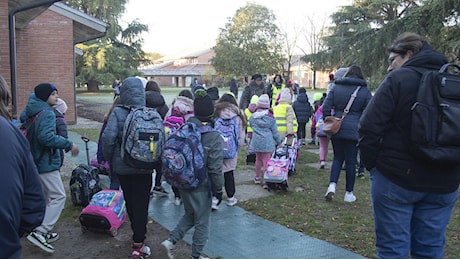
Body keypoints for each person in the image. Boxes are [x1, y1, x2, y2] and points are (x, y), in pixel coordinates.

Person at [358, 32, 460, 258]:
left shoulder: (399, 80)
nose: (389, 67)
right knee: (431, 249)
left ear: (409, 54)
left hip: (397, 179)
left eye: (392, 59)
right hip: (445, 182)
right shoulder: (455, 82)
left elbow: (368, 127)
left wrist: (372, 165)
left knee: (393, 249)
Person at [161, 89, 224, 259]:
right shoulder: (213, 136)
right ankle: (196, 256)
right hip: (201, 185)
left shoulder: (185, 128)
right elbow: (215, 169)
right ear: (212, 113)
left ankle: (170, 241)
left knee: (190, 214)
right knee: (203, 221)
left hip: (182, 180)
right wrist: (219, 189)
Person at [102, 77, 155, 258]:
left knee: (131, 202)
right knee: (142, 204)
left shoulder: (117, 113)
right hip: (145, 167)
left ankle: (136, 236)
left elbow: (108, 139)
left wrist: (111, 160)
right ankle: (139, 242)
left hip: (123, 166)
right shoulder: (150, 112)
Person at [24, 83, 79, 254]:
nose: (57, 97)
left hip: (35, 160)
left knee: (47, 197)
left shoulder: (32, 110)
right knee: (58, 196)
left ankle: (42, 230)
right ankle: (39, 232)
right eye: (53, 94)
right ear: (44, 96)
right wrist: (69, 144)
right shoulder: (47, 113)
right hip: (45, 162)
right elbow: (46, 137)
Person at [0, 76, 46, 258]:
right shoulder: (12, 133)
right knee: (58, 194)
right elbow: (34, 204)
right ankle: (44, 232)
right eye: (54, 94)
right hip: (6, 245)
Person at [322, 65, 371, 203]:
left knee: (337, 158)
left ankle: (332, 185)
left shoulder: (336, 88)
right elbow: (369, 112)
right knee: (351, 161)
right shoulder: (364, 91)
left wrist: (329, 120)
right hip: (355, 130)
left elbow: (326, 107)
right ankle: (349, 193)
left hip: (337, 128)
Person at [212, 92, 246, 209]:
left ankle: (215, 199)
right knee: (229, 173)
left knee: (215, 173)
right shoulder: (238, 116)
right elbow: (241, 136)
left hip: (216, 148)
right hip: (231, 149)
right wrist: (237, 148)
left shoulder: (216, 113)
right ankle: (231, 198)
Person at [164, 89, 195, 205]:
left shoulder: (173, 107)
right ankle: (186, 195)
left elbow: (165, 122)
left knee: (173, 168)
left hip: (171, 143)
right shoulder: (192, 109)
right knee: (185, 169)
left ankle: (177, 196)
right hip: (185, 144)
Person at [249, 94, 282, 186]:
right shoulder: (271, 118)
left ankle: (257, 177)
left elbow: (251, 125)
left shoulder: (253, 117)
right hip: (267, 142)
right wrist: (279, 142)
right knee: (266, 161)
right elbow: (275, 132)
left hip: (256, 141)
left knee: (258, 159)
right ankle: (266, 179)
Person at [145, 80, 170, 197]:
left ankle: (146, 188)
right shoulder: (162, 103)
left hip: (143, 136)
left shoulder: (141, 102)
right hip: (158, 136)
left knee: (144, 161)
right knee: (159, 161)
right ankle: (158, 185)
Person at [96, 96, 120, 190]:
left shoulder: (109, 119)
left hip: (113, 156)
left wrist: (101, 156)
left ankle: (114, 201)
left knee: (114, 180)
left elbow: (103, 139)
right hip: (126, 157)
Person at [312, 104, 330, 169]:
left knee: (322, 146)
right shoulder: (333, 109)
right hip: (330, 130)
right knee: (327, 146)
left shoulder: (319, 110)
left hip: (321, 130)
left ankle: (322, 160)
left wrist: (313, 131)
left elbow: (314, 120)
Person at [53, 98, 68, 168]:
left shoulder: (48, 116)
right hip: (57, 149)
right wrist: (68, 146)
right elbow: (64, 136)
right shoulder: (60, 120)